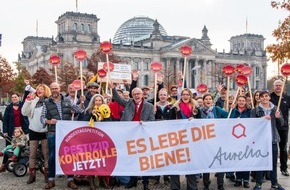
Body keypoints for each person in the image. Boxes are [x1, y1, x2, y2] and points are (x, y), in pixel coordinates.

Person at [109, 82, 154, 190]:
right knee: (132, 158)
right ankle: (132, 181)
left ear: (142, 94)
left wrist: (145, 123)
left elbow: (152, 120)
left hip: (142, 136)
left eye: (138, 94)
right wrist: (113, 89)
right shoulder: (128, 103)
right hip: (129, 135)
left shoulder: (150, 106)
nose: (137, 96)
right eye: (134, 94)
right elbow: (118, 99)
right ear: (132, 95)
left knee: (144, 159)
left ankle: (145, 182)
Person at [40, 82, 85, 189]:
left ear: (60, 89)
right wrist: (49, 121)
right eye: (52, 89)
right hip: (53, 133)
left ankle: (70, 179)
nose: (54, 90)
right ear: (50, 90)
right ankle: (51, 180)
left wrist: (82, 102)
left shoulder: (67, 100)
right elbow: (41, 118)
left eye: (56, 88)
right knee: (52, 156)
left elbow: (80, 110)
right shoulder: (46, 102)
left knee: (69, 156)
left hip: (66, 134)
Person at [251, 90, 285, 190]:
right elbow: (251, 125)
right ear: (259, 98)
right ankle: (258, 183)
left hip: (273, 139)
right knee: (260, 162)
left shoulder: (275, 109)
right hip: (261, 141)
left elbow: (281, 124)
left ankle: (274, 183)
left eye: (266, 96)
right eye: (262, 97)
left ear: (269, 97)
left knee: (273, 163)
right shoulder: (256, 110)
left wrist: (278, 118)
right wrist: (261, 119)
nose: (264, 98)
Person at [80, 94, 112, 190]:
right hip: (91, 140)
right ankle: (91, 182)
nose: (98, 102)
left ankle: (102, 180)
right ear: (93, 102)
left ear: (103, 102)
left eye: (100, 100)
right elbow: (83, 122)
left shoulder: (106, 111)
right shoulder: (88, 111)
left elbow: (111, 123)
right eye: (96, 100)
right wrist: (92, 115)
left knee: (101, 161)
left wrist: (105, 117)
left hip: (101, 140)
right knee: (91, 161)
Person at [170, 88, 200, 190]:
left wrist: (195, 120)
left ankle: (192, 186)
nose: (185, 96)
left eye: (187, 94)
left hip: (192, 139)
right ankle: (175, 187)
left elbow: (201, 122)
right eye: (183, 94)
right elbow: (168, 121)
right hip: (177, 139)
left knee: (191, 162)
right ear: (181, 96)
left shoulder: (196, 108)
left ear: (190, 96)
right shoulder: (175, 108)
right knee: (175, 162)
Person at [22, 82, 51, 184]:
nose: (38, 90)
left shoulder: (48, 101)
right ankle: (32, 176)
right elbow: (24, 112)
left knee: (46, 154)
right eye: (38, 89)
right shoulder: (33, 101)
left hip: (45, 131)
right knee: (32, 154)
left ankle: (47, 176)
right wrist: (28, 101)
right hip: (33, 130)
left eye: (41, 89)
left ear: (45, 91)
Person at [200, 93, 228, 190]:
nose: (208, 100)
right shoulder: (199, 111)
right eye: (206, 99)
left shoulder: (216, 109)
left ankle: (220, 184)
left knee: (219, 162)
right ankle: (206, 184)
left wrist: (233, 109)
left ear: (212, 101)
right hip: (205, 141)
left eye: (210, 99)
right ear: (203, 101)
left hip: (217, 140)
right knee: (206, 163)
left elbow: (228, 115)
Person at [229, 96, 251, 188]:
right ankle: (238, 179)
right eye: (239, 101)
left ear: (246, 102)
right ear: (237, 101)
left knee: (246, 159)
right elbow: (229, 121)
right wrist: (233, 111)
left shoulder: (249, 111)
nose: (241, 102)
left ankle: (246, 180)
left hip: (246, 138)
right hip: (236, 139)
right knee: (238, 159)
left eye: (243, 101)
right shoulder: (233, 110)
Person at [270, 79, 290, 176]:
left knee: (283, 148)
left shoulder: (287, 97)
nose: (278, 87)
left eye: (280, 85)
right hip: (272, 126)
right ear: (273, 87)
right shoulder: (269, 97)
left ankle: (284, 168)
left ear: (283, 87)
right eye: (276, 85)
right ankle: (269, 170)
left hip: (284, 127)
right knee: (271, 148)